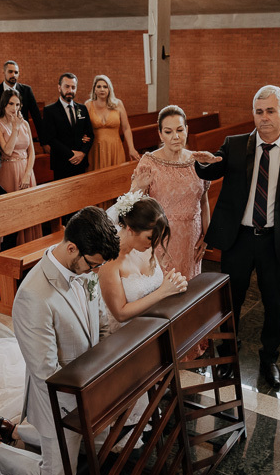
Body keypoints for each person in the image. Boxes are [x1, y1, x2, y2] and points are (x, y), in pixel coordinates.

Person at [0, 206, 120, 475]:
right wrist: (82, 403)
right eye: (93, 265)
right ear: (72, 248)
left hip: (89, 385)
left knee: (98, 447)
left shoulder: (85, 268)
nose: (96, 272)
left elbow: (102, 326)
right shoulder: (35, 295)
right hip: (60, 398)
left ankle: (14, 431)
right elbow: (47, 374)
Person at [194, 86, 280, 390]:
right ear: (253, 114)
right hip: (239, 239)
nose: (264, 118)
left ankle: (269, 359)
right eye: (259, 112)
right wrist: (204, 163)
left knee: (275, 304)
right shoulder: (235, 146)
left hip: (277, 242)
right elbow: (213, 170)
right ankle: (226, 353)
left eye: (271, 111)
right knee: (230, 300)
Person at [131, 105, 211, 282]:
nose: (175, 136)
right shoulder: (149, 162)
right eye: (168, 132)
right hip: (162, 237)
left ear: (187, 130)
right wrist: (139, 186)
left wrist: (207, 236)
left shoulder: (197, 159)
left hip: (192, 238)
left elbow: (203, 202)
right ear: (160, 134)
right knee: (165, 291)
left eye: (180, 130)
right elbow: (132, 202)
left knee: (190, 290)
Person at [98, 193, 187, 337]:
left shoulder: (145, 247)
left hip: (155, 323)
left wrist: (174, 284)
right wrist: (163, 291)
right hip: (128, 336)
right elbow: (120, 314)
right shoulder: (110, 263)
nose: (154, 244)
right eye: (150, 238)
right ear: (130, 230)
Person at [0, 88, 39, 242]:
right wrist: (15, 128)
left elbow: (32, 152)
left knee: (29, 211)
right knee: (12, 213)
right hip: (8, 171)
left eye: (17, 104)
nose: (14, 108)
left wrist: (27, 175)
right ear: (4, 105)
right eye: (11, 104)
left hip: (27, 170)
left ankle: (31, 247)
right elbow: (7, 150)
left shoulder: (25, 123)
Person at [43, 72, 93, 181]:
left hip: (81, 162)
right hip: (61, 162)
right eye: (67, 86)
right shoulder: (49, 111)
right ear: (59, 87)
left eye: (73, 87)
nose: (70, 90)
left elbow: (90, 134)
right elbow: (50, 138)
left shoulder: (82, 108)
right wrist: (71, 154)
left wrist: (83, 153)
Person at [86, 74, 139, 170]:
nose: (102, 89)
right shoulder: (88, 105)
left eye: (105, 87)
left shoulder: (118, 104)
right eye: (99, 86)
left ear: (109, 89)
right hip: (95, 149)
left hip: (115, 148)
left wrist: (131, 148)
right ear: (94, 89)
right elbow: (82, 128)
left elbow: (126, 128)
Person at [0, 60, 43, 140]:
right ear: (4, 72)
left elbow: (36, 116)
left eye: (16, 72)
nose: (13, 75)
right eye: (10, 72)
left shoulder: (26, 90)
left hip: (22, 134)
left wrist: (44, 142)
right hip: (0, 135)